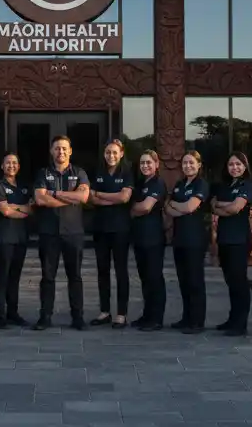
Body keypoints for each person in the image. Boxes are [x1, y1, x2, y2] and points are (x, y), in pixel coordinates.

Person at [32, 134, 90, 330]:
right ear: (51, 151)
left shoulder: (79, 172)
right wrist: (70, 198)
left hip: (73, 233)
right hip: (49, 233)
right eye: (57, 148)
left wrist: (55, 194)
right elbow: (40, 199)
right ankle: (45, 317)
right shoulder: (43, 173)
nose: (61, 152)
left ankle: (78, 317)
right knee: (48, 277)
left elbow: (83, 197)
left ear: (70, 151)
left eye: (64, 148)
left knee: (75, 276)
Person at [89, 138, 132, 328]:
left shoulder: (127, 172)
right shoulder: (98, 172)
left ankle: (121, 314)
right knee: (102, 271)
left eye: (115, 152)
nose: (111, 156)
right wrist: (112, 198)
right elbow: (90, 198)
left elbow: (124, 198)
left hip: (120, 229)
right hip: (101, 228)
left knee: (121, 271)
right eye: (108, 152)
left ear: (121, 153)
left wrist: (101, 195)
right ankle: (105, 312)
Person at [166, 150, 210, 334]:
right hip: (180, 239)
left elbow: (191, 207)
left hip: (195, 239)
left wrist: (178, 206)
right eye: (185, 163)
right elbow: (167, 208)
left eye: (192, 162)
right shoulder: (179, 184)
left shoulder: (202, 184)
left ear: (199, 165)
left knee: (195, 280)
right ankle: (187, 318)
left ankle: (197, 321)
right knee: (183, 280)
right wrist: (181, 208)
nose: (188, 166)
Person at [212, 151, 252, 336]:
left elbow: (236, 208)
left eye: (238, 164)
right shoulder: (223, 186)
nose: (234, 167)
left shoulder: (247, 185)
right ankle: (232, 319)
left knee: (239, 282)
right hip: (224, 239)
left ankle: (240, 323)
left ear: (245, 166)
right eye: (231, 164)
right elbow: (212, 206)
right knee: (230, 281)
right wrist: (225, 207)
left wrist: (222, 206)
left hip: (239, 240)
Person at [0, 151, 32, 328]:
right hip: (3, 238)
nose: (11, 166)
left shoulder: (24, 186)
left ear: (19, 166)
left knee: (15, 278)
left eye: (14, 163)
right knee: (2, 277)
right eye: (8, 163)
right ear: (2, 166)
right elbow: (4, 210)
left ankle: (13, 313)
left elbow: (32, 208)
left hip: (20, 237)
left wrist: (15, 207)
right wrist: (22, 209)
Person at [130, 148, 167, 332]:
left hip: (153, 238)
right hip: (139, 237)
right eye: (142, 163)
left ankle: (156, 319)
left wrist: (130, 209)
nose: (145, 166)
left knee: (154, 278)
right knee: (145, 279)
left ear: (156, 164)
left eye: (148, 162)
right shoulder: (139, 183)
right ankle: (147, 315)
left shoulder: (158, 183)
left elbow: (145, 207)